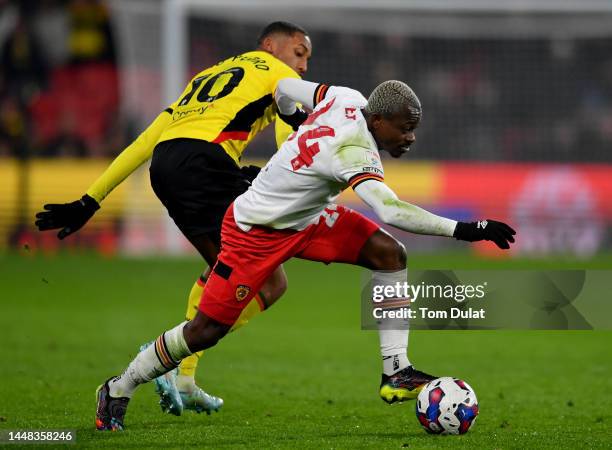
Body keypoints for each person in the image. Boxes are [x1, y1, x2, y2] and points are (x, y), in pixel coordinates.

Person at [94, 78, 516, 430]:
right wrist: (467, 229)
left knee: (390, 255)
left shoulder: (345, 96)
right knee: (204, 331)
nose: (410, 137)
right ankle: (120, 386)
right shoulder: (354, 151)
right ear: (380, 120)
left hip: (307, 220)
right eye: (405, 129)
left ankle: (396, 371)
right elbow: (390, 209)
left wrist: (299, 122)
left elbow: (282, 89)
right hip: (253, 234)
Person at [35, 21, 313, 416]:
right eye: (299, 53)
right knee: (270, 282)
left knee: (228, 271)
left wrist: (91, 199)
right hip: (206, 165)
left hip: (167, 168)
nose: (302, 66)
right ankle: (166, 360)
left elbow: (147, 141)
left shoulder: (207, 77)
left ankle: (183, 375)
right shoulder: (280, 75)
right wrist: (281, 176)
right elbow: (291, 139)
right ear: (271, 45)